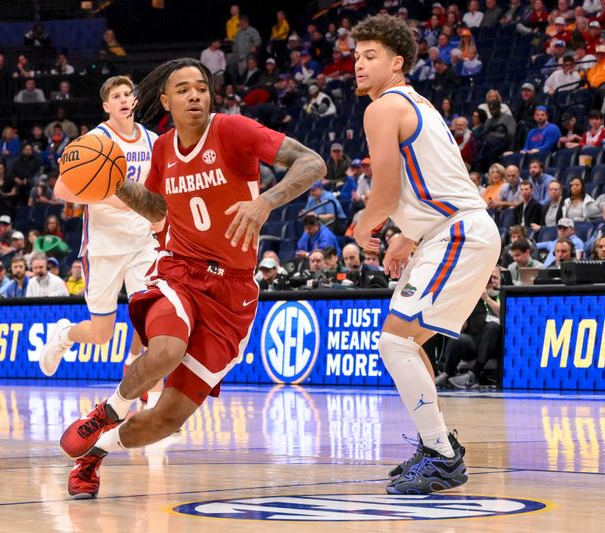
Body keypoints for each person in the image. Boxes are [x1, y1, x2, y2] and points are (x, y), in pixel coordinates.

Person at [48, 58, 325, 499]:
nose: (194, 95)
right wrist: (114, 181)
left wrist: (265, 202)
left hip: (233, 290)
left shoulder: (234, 130)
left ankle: (95, 453)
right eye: (183, 89)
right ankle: (109, 409)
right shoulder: (162, 150)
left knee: (166, 420)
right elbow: (159, 209)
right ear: (165, 101)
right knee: (166, 349)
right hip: (179, 270)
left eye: (201, 87)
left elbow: (312, 163)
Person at [351, 15, 500, 495]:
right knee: (407, 343)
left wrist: (365, 224)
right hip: (449, 229)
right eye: (356, 56)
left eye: (370, 56)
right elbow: (435, 182)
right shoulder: (419, 104)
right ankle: (434, 443)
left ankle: (441, 455)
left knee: (394, 342)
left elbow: (388, 190)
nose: (359, 64)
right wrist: (408, 234)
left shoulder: (383, 107)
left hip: (457, 232)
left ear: (397, 63)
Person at [39, 76, 164, 408]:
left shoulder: (154, 141)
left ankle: (149, 387)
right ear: (106, 106)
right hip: (105, 246)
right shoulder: (94, 141)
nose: (123, 99)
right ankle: (65, 334)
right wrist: (112, 198)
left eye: (127, 94)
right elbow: (61, 190)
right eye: (116, 96)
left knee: (153, 314)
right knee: (101, 335)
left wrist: (158, 216)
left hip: (143, 242)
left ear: (135, 100)